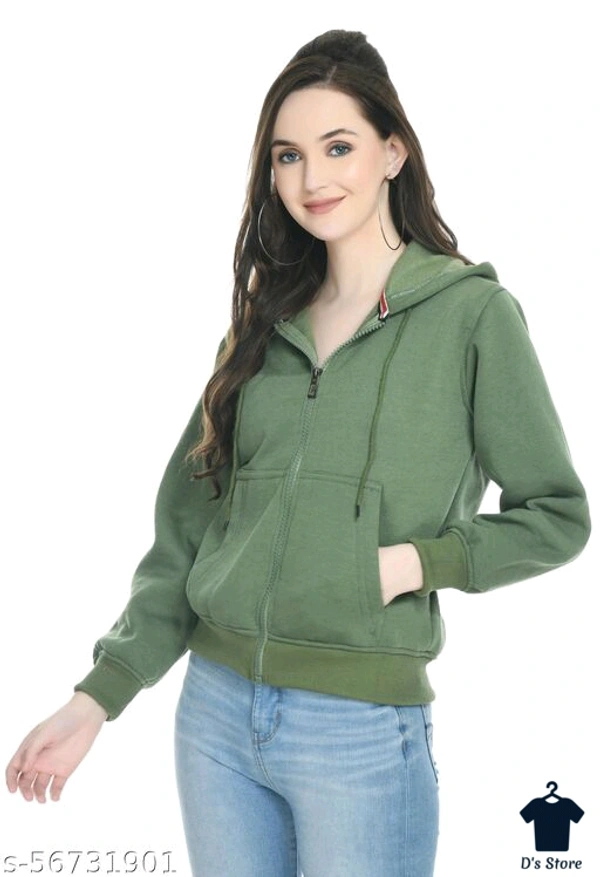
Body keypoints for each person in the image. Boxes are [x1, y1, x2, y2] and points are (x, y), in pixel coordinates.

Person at [5, 28, 591, 877]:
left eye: (338, 146)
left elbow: (557, 515)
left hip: (357, 730)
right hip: (214, 717)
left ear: (393, 152)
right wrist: (99, 694)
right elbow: (188, 532)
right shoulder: (261, 328)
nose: (312, 179)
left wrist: (412, 564)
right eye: (288, 155)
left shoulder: (472, 317)